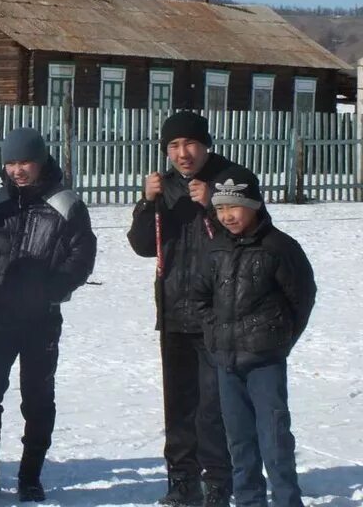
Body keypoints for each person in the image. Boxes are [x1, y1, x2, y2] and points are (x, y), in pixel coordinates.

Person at [0, 127, 97, 502]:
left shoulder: (66, 203)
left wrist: (50, 291)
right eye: (10, 162)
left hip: (41, 320)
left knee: (37, 399)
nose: (17, 170)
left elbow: (82, 256)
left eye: (24, 162)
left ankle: (30, 476)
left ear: (40, 161)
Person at [127, 111, 235, 506]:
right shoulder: (165, 187)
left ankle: (218, 482)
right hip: (174, 311)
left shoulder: (232, 179)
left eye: (189, 143)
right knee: (179, 405)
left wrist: (214, 204)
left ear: (206, 144)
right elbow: (141, 245)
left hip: (219, 313)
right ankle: (182, 480)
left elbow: (251, 234)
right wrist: (146, 201)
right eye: (173, 146)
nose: (182, 153)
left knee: (213, 406)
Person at [193, 166, 315, 507]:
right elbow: (199, 296)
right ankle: (248, 500)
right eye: (219, 209)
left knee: (274, 437)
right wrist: (215, 331)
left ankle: (288, 500)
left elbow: (301, 297)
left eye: (234, 207)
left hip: (265, 361)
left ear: (255, 205)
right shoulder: (215, 249)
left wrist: (279, 338)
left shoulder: (279, 247)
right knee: (239, 440)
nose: (227, 216)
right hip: (226, 361)